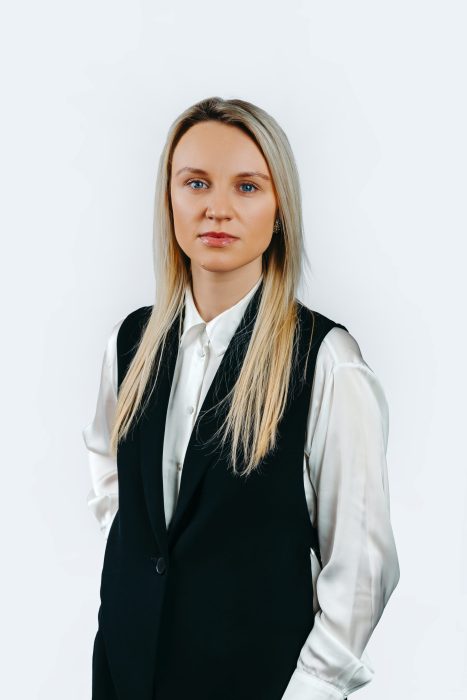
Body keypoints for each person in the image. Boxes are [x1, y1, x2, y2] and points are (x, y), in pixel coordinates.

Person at [82, 96, 400, 700]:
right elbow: (107, 461)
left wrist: (310, 690)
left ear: (280, 209)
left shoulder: (326, 361)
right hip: (124, 677)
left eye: (247, 186)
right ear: (169, 199)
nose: (217, 208)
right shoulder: (131, 342)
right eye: (196, 183)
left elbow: (362, 567)